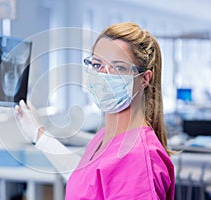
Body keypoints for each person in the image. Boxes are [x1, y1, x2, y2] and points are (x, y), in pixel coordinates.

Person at [15, 22, 175, 199]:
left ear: (144, 78)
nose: (104, 76)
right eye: (97, 65)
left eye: (118, 67)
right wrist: (39, 136)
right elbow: (87, 183)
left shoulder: (137, 158)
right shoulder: (105, 137)